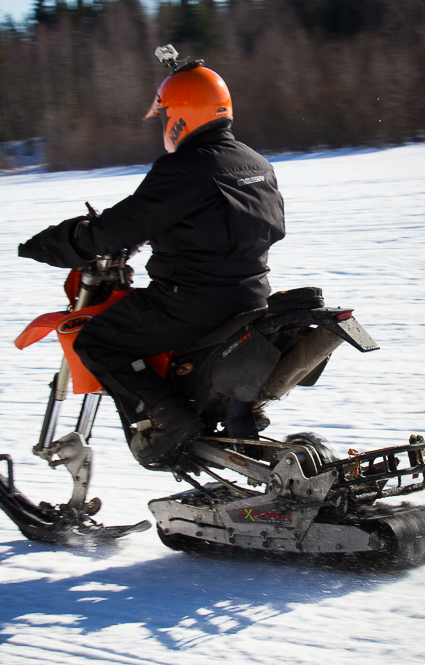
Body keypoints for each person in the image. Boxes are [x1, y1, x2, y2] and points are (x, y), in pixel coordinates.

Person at [18, 45, 285, 463]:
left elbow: (114, 229)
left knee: (97, 340)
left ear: (181, 113)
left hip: (189, 304)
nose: (164, 123)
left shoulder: (183, 168)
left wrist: (56, 242)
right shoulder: (256, 163)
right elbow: (265, 227)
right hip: (251, 298)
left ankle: (167, 420)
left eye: (165, 115)